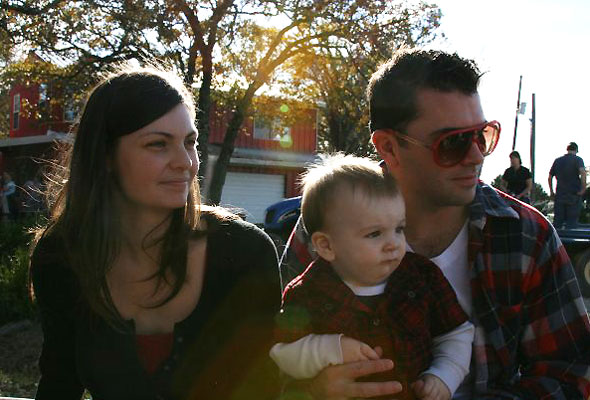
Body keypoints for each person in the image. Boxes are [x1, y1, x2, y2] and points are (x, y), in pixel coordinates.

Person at [281, 49, 590, 399]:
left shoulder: (525, 235)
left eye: (482, 135)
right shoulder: (325, 230)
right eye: (453, 142)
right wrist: (310, 391)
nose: (476, 155)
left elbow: (570, 373)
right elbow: (264, 360)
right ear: (389, 148)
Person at [30, 65, 281, 400]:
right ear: (105, 155)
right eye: (158, 144)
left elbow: (263, 391)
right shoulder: (62, 255)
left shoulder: (245, 253)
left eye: (189, 142)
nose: (185, 162)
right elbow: (59, 384)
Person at [270, 154, 474, 400]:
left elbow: (457, 333)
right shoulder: (307, 291)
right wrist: (330, 349)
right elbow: (283, 353)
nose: (394, 244)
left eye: (399, 229)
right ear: (326, 246)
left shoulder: (421, 276)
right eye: (375, 233)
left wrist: (444, 375)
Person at [548, 142, 587, 229]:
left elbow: (550, 177)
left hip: (560, 195)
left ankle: (558, 241)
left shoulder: (557, 160)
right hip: (574, 195)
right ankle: (571, 242)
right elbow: (583, 173)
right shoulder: (578, 160)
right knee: (572, 222)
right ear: (576, 150)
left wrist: (551, 192)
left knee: (557, 222)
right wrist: (583, 189)